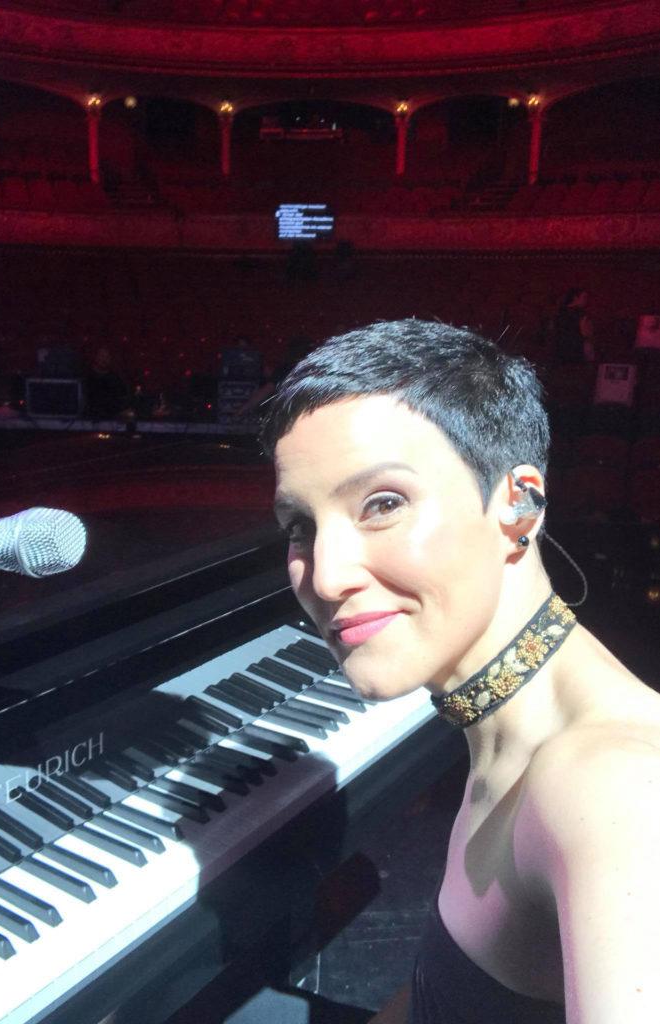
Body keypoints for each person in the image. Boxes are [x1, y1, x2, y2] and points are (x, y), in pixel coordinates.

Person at [260, 319, 660, 1023]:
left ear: (518, 507)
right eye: (301, 527)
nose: (323, 576)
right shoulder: (512, 729)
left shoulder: (612, 786)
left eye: (382, 504)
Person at [553, 288, 595, 365]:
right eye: (584, 297)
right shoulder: (581, 314)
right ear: (575, 298)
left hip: (560, 352)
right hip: (577, 351)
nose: (586, 300)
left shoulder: (558, 313)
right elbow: (586, 332)